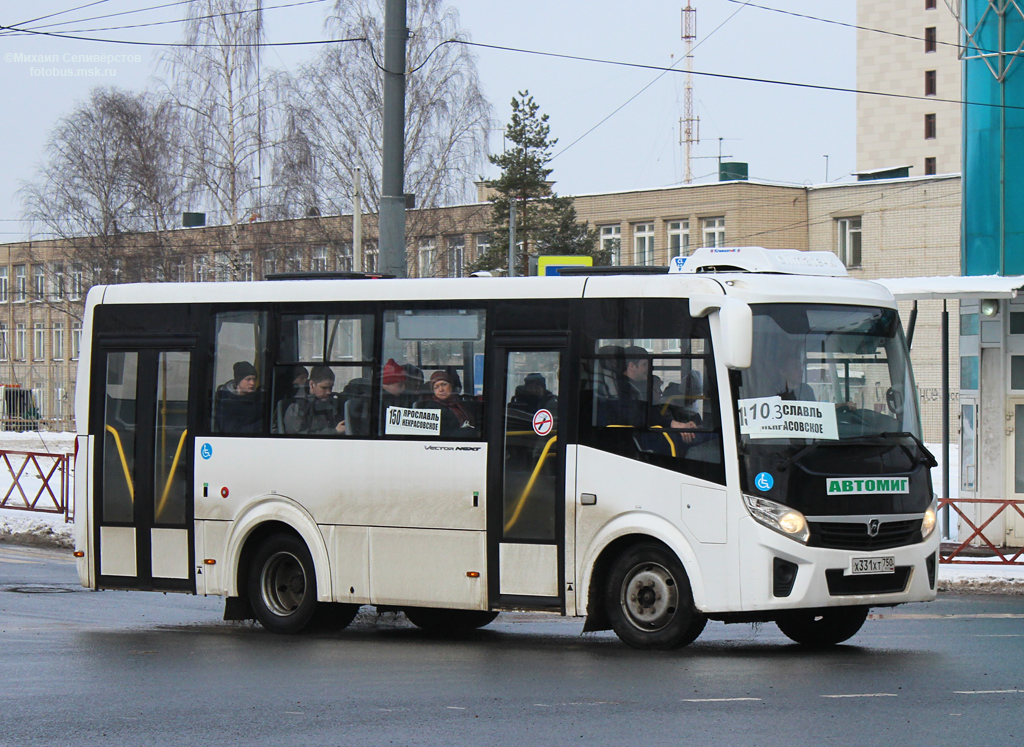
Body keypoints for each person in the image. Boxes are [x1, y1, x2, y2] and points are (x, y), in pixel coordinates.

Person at [283, 365, 346, 435]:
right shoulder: (296, 407)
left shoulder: (332, 403)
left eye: (331, 388)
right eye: (324, 388)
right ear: (312, 384)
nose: (329, 392)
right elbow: (299, 436)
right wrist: (335, 432)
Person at [215, 361, 263, 433]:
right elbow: (229, 430)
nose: (252, 383)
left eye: (254, 379)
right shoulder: (225, 401)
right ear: (239, 380)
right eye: (248, 379)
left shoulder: (258, 400)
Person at [424, 370, 475, 434]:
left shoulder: (461, 404)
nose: (441, 390)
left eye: (444, 384)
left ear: (451, 386)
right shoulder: (431, 408)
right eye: (436, 387)